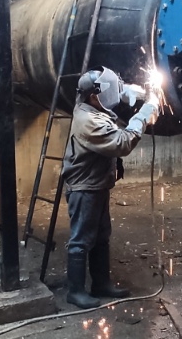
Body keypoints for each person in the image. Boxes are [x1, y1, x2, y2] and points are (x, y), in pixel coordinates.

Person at [62, 66, 158, 309]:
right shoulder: (89, 121)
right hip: (84, 187)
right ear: (95, 96)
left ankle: (101, 284)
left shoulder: (86, 99)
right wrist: (145, 111)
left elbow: (103, 90)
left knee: (101, 236)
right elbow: (123, 143)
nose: (114, 94)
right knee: (81, 240)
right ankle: (75, 291)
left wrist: (128, 91)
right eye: (111, 91)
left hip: (98, 183)